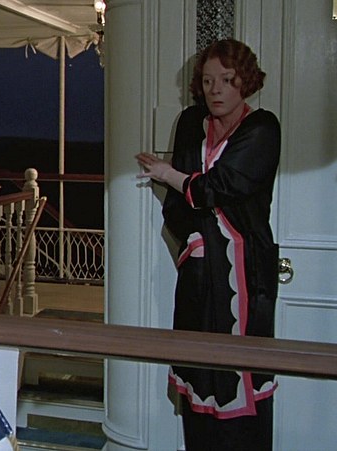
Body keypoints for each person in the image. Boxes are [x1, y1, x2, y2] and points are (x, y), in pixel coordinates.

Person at [135, 39, 281, 450]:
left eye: (227, 80)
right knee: (199, 376)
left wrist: (169, 175)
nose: (216, 89)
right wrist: (194, 241)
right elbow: (179, 206)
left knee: (243, 378)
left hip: (247, 274)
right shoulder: (190, 122)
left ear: (245, 82)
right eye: (207, 80)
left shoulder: (263, 128)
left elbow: (221, 187)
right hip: (199, 273)